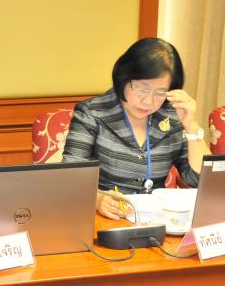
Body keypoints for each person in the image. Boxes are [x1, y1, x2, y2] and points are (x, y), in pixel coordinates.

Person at [62, 37, 210, 220]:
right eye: (141, 88)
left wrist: (191, 125)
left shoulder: (172, 117)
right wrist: (97, 199)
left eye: (160, 92)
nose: (148, 101)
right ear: (124, 78)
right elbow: (70, 178)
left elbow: (198, 180)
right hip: (107, 219)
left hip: (156, 221)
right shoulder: (92, 113)